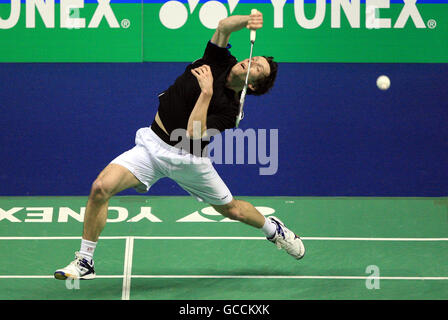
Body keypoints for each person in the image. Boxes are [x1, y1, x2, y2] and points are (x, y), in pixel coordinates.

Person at [54, 10, 305, 281]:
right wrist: (247, 20)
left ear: (253, 87)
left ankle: (273, 230)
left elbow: (193, 132)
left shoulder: (231, 111)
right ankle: (85, 261)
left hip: (188, 160)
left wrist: (207, 92)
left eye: (257, 68)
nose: (250, 62)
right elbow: (223, 27)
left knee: (231, 209)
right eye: (253, 59)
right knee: (100, 188)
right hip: (152, 146)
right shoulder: (219, 61)